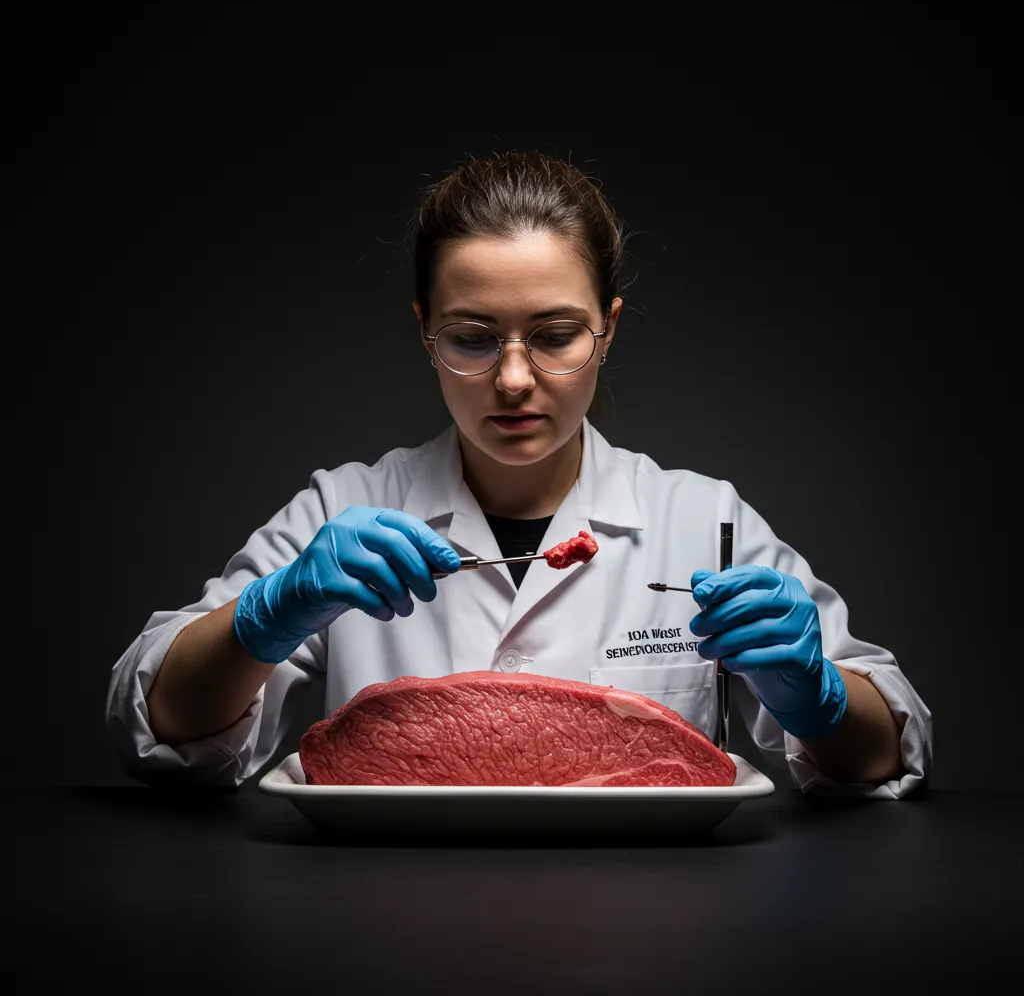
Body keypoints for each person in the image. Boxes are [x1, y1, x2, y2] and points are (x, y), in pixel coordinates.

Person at [105, 151, 932, 797]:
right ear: (424, 330)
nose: (511, 379)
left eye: (555, 335)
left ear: (606, 331)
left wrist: (817, 697)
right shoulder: (347, 505)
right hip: (382, 926)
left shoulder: (700, 520)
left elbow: (888, 752)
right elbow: (161, 726)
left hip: (648, 933)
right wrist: (264, 618)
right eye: (471, 337)